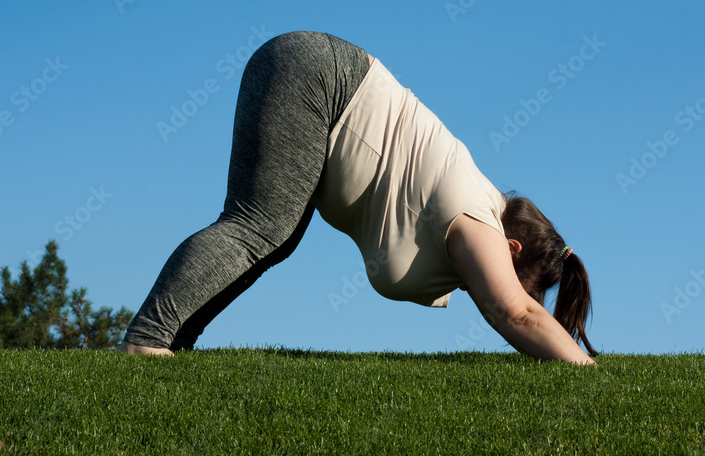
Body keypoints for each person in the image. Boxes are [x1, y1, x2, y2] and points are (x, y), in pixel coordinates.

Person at [119, 31, 597, 365]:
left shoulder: (472, 209)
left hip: (308, 71)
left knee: (273, 237)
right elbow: (515, 313)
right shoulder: (476, 217)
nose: (505, 291)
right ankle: (148, 339)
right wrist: (588, 374)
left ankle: (172, 342)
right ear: (510, 248)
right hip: (318, 77)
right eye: (523, 283)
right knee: (259, 228)